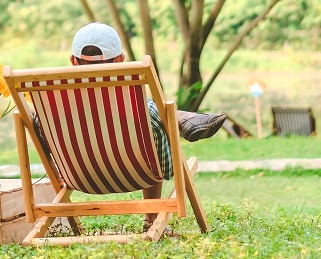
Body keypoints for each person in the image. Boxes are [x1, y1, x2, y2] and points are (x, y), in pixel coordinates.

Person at [66, 22, 226, 222]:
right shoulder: (135, 107)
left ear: (73, 61)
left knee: (148, 112)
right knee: (151, 116)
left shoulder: (52, 105)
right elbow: (164, 168)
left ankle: (181, 117)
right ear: (120, 59)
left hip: (78, 178)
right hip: (136, 175)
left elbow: (38, 130)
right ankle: (180, 117)